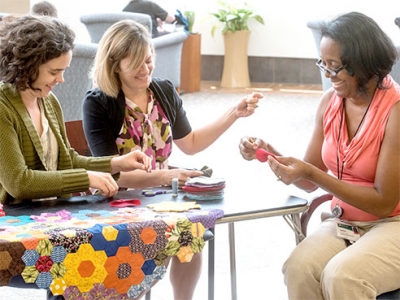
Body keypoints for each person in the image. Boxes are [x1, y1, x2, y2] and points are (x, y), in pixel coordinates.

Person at [82, 19, 262, 300]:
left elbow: (190, 144)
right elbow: (111, 175)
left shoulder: (163, 92)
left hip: (161, 194)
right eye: (136, 64)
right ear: (115, 64)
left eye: (149, 60)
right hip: (117, 199)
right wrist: (165, 176)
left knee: (190, 235)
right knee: (151, 245)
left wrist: (234, 113)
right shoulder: (99, 102)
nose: (146, 70)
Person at [239, 12, 400, 299]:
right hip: (345, 221)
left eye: (335, 67)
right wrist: (270, 153)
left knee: (343, 276)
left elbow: (384, 203)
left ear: (363, 63)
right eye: (323, 65)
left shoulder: (396, 111)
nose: (327, 75)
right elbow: (309, 180)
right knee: (298, 267)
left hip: (392, 224)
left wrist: (312, 173)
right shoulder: (330, 102)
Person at [0, 15, 152, 207]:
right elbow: (19, 183)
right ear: (27, 66)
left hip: (46, 215)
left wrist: (116, 163)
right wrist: (86, 178)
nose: (61, 79)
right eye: (54, 72)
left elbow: (67, 160)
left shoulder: (49, 102)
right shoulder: (3, 108)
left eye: (63, 71)